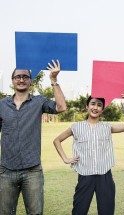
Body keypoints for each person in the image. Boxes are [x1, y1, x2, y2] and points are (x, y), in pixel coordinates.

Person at [0, 59, 67, 215]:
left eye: (25, 76)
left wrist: (54, 80)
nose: (21, 79)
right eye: (18, 77)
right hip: (6, 171)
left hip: (32, 171)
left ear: (30, 81)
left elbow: (61, 107)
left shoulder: (39, 102)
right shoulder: (2, 105)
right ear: (13, 81)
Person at [53, 95, 124, 215]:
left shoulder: (107, 127)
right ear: (87, 106)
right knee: (79, 211)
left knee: (107, 211)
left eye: (99, 105)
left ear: (102, 109)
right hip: (85, 176)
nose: (95, 107)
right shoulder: (76, 127)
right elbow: (57, 140)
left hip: (105, 176)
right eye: (93, 104)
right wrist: (65, 159)